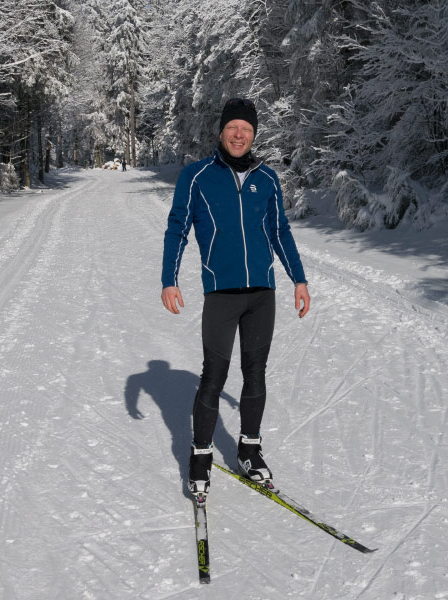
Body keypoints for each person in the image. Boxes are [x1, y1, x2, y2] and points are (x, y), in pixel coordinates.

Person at [161, 97, 310, 499]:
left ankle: (249, 449)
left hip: (262, 293)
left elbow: (280, 232)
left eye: (246, 128)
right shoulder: (197, 176)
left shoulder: (268, 179)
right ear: (221, 132)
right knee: (214, 376)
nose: (239, 134)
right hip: (221, 295)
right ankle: (200, 456)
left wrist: (299, 279)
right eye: (232, 128)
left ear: (254, 134)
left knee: (256, 372)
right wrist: (168, 279)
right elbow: (177, 229)